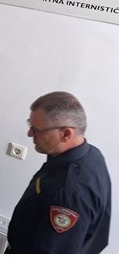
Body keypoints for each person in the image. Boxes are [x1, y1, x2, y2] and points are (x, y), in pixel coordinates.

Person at [6, 91, 111, 254]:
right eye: (30, 126)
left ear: (66, 134)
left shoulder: (68, 195)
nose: (29, 134)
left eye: (36, 130)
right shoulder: (91, 155)